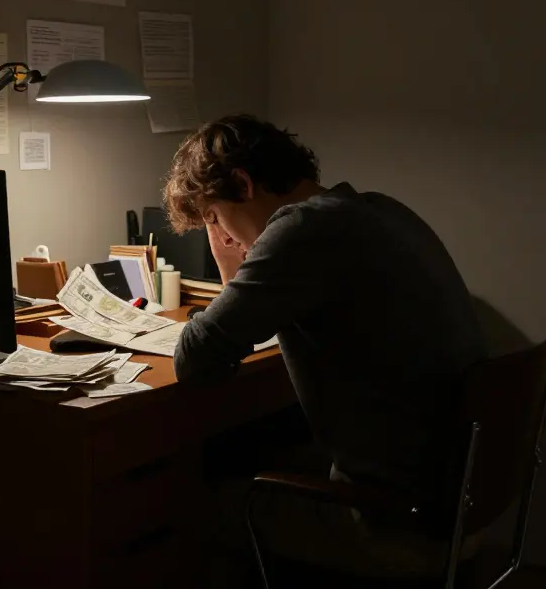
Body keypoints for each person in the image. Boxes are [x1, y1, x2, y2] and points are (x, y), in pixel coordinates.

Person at [162, 114, 486, 582]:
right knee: (260, 447)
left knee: (192, 504)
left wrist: (226, 262)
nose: (224, 234)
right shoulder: (377, 208)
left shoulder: (299, 231)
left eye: (213, 217)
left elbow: (196, 361)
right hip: (460, 493)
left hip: (397, 519)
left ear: (242, 183)